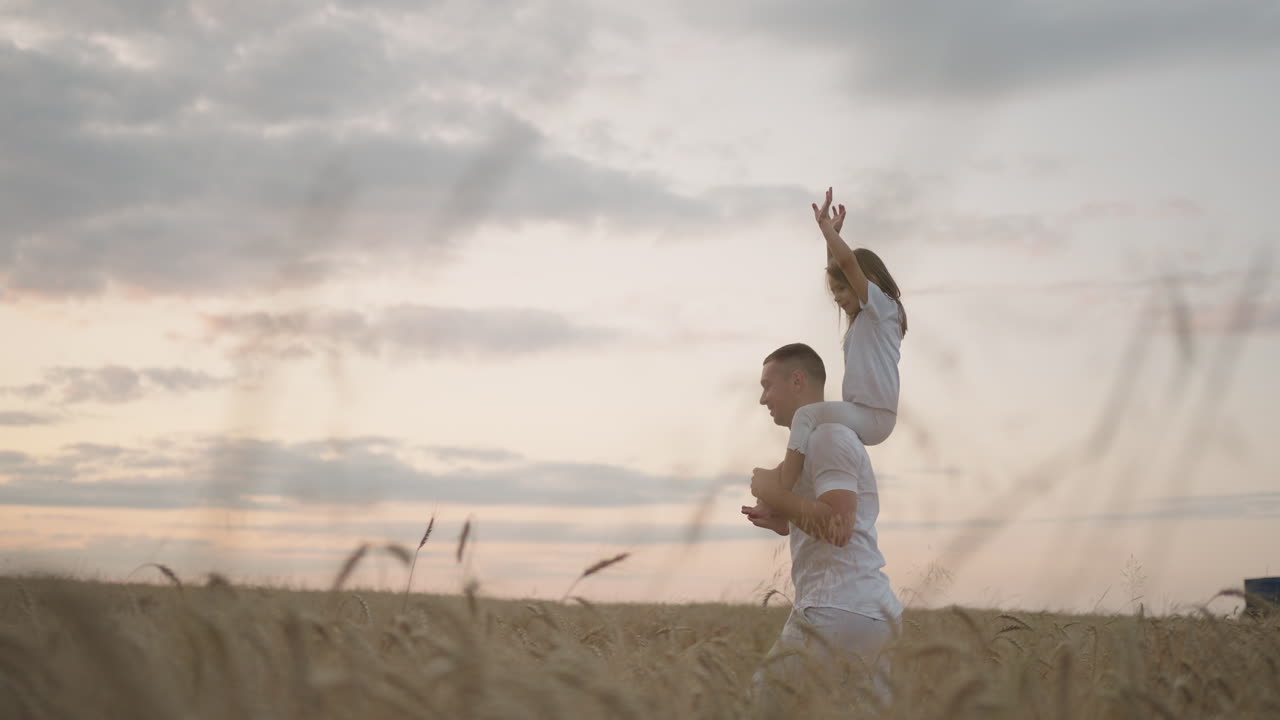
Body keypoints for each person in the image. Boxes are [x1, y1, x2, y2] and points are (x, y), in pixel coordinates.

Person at [743, 342, 902, 712]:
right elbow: (825, 519)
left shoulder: (828, 437)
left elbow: (837, 526)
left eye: (768, 385)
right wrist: (783, 520)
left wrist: (773, 493)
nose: (763, 398)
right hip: (862, 610)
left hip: (837, 608)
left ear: (797, 380)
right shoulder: (815, 441)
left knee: (762, 708)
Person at [747, 187, 907, 521]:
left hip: (874, 415)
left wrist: (828, 233)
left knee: (805, 417)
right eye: (833, 292)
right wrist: (830, 247)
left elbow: (848, 264)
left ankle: (779, 495)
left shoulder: (882, 310)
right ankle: (780, 500)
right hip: (862, 412)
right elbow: (840, 268)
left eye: (841, 290)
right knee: (807, 432)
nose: (836, 298)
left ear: (866, 281)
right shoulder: (863, 321)